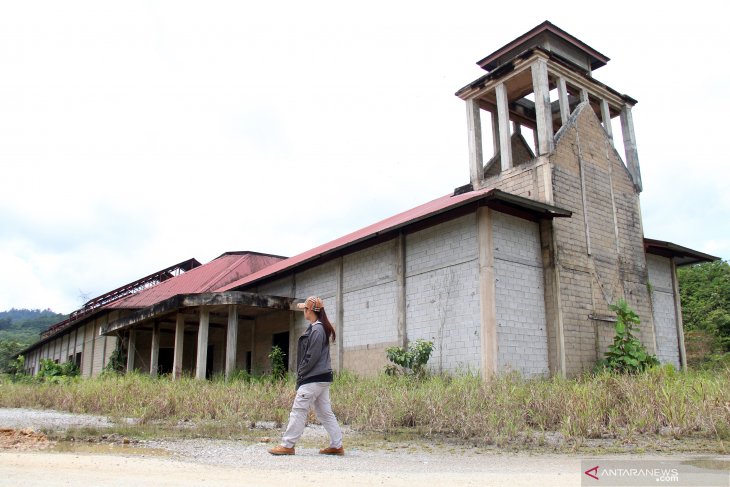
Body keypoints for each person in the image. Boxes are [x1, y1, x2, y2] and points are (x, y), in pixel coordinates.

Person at [268, 296, 344, 456]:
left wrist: (301, 372)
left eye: (304, 309)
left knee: (298, 410)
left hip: (313, 378)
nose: (303, 311)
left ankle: (287, 445)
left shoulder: (317, 329)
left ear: (310, 311)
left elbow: (311, 356)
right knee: (324, 412)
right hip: (322, 378)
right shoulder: (319, 327)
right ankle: (337, 445)